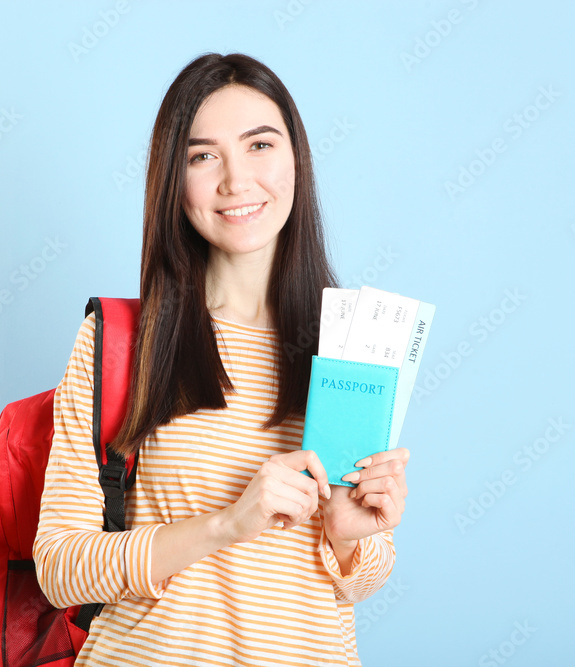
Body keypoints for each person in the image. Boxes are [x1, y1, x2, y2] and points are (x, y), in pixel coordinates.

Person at [33, 52, 410, 667]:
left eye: (259, 145)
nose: (235, 181)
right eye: (203, 156)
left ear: (296, 159)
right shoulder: (125, 339)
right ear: (172, 181)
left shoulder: (353, 341)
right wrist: (225, 525)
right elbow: (59, 569)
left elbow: (357, 581)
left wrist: (348, 538)